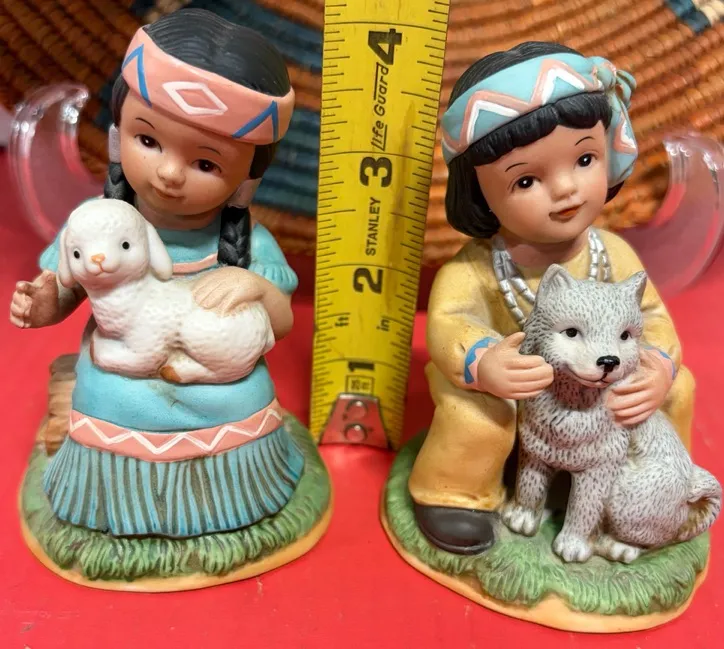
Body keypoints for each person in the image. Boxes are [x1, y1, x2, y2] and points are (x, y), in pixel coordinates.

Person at [9, 8, 308, 538]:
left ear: (247, 178)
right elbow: (66, 287)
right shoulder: (97, 221)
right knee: (107, 393)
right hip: (120, 367)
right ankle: (113, 502)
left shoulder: (249, 244)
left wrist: (254, 286)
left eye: (206, 164)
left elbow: (279, 323)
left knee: (245, 394)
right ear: (117, 133)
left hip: (217, 375)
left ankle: (227, 499)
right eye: (148, 141)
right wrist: (41, 303)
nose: (169, 173)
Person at [408, 41, 694, 555]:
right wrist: (484, 362)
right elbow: (448, 321)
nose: (565, 190)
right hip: (516, 392)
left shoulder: (614, 255)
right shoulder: (476, 269)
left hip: (598, 396)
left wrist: (656, 370)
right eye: (525, 180)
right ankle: (456, 492)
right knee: (478, 414)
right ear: (480, 193)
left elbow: (652, 317)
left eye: (584, 159)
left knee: (677, 389)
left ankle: (650, 499)